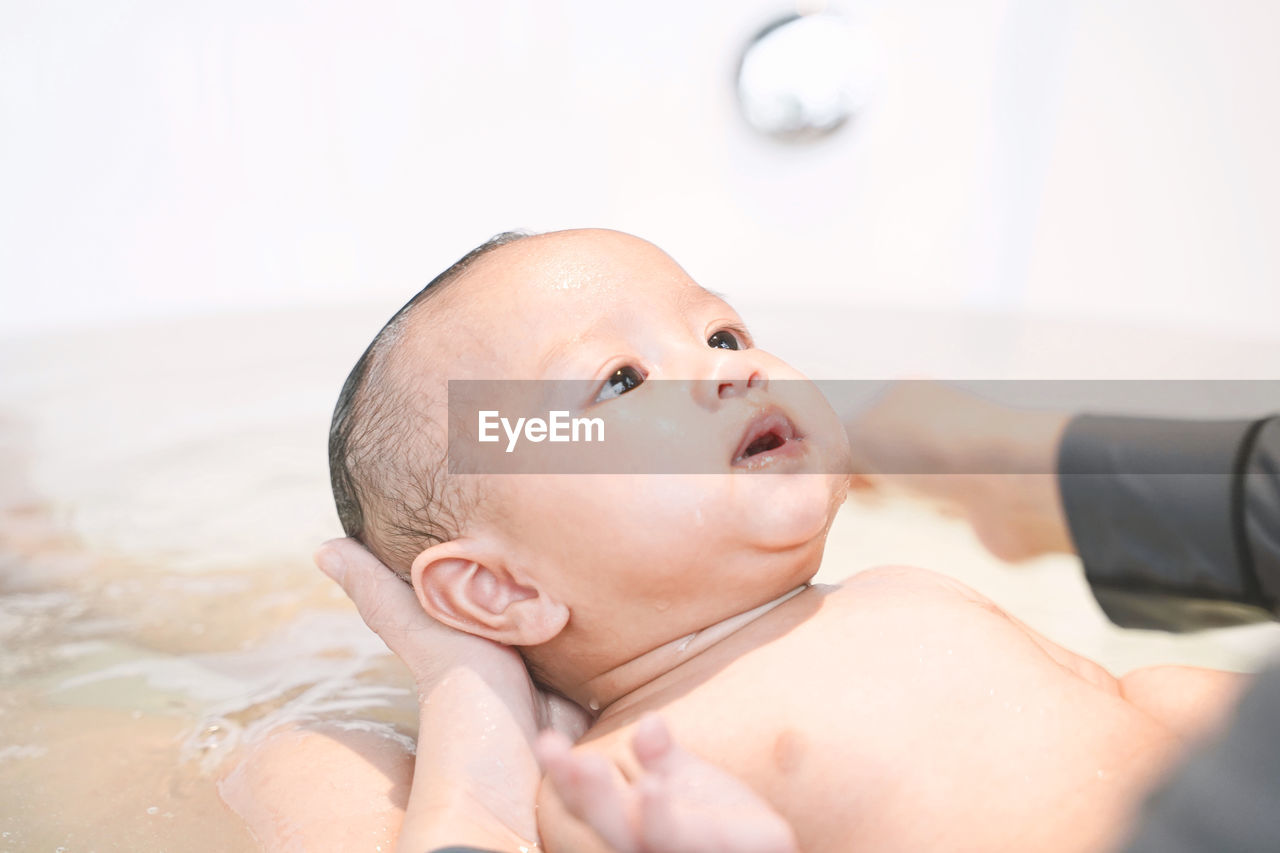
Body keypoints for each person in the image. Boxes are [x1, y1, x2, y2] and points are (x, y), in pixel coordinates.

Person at [220, 228, 1256, 853]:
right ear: (497, 589)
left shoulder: (898, 593)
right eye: (618, 381)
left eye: (719, 332)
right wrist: (469, 711)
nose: (731, 367)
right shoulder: (619, 777)